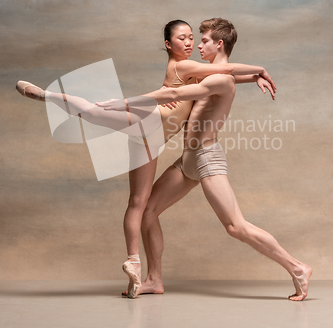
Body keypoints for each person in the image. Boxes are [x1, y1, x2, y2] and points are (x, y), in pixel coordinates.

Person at [16, 19, 276, 298]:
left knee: (139, 203)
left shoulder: (196, 72)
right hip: (149, 121)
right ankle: (47, 95)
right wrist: (260, 70)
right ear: (168, 45)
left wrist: (253, 78)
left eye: (192, 38)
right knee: (93, 113)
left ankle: (137, 266)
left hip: (153, 139)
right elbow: (227, 69)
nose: (190, 43)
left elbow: (224, 78)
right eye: (182, 39)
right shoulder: (182, 65)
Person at [99, 18, 311, 301]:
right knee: (148, 210)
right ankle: (154, 279)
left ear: (219, 44)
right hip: (189, 158)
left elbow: (176, 91)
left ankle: (297, 267)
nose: (196, 45)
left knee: (236, 227)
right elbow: (227, 76)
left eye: (204, 41)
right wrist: (254, 76)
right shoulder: (211, 75)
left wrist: (124, 102)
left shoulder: (218, 78)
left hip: (207, 158)